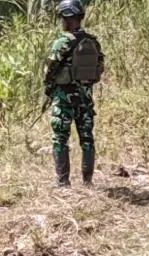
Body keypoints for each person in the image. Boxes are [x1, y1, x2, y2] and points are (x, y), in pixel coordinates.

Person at [44, 0, 103, 187]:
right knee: (87, 138)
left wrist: (49, 88)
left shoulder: (62, 42)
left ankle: (63, 182)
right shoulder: (92, 41)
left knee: (60, 138)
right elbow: (99, 68)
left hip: (64, 98)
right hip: (85, 98)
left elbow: (49, 69)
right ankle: (87, 181)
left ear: (67, 20)